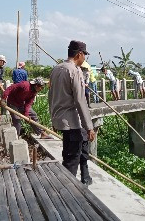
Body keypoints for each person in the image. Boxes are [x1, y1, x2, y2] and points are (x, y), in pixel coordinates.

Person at [48, 40, 95, 185]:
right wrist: (89, 127)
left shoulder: (56, 69)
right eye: (84, 55)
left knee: (67, 155)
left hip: (60, 120)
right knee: (72, 161)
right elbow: (80, 101)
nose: (84, 59)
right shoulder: (75, 70)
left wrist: (53, 118)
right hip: (73, 123)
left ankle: (68, 187)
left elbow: (51, 96)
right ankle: (67, 193)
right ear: (79, 54)